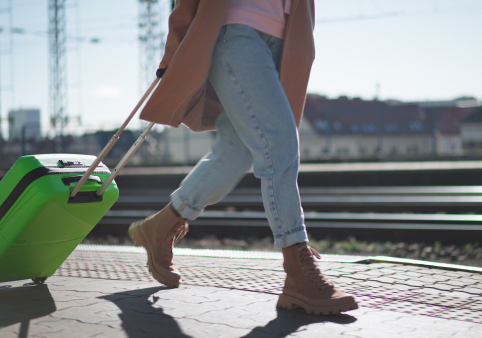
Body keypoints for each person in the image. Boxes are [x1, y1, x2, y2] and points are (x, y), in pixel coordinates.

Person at [129, 0, 358, 315]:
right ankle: (297, 270)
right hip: (234, 29)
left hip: (285, 38)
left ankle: (161, 225)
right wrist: (174, 50)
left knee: (235, 151)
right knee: (279, 143)